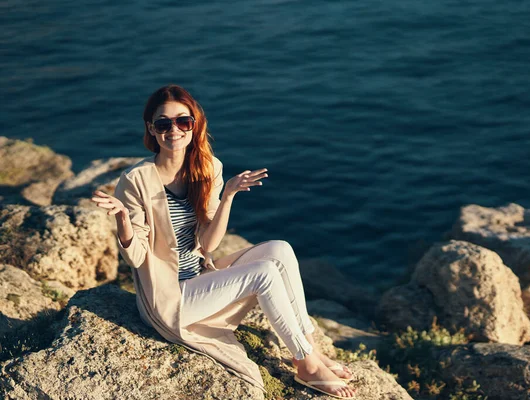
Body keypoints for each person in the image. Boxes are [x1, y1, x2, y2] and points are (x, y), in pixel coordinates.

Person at [90, 84, 357, 399]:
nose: (173, 130)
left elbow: (208, 245)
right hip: (169, 299)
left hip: (200, 278)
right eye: (163, 123)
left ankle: (309, 347)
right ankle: (306, 364)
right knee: (265, 273)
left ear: (195, 125)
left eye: (183, 121)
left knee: (279, 250)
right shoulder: (135, 181)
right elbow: (135, 259)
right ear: (151, 129)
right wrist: (123, 220)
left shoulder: (207, 168)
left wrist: (227, 195)